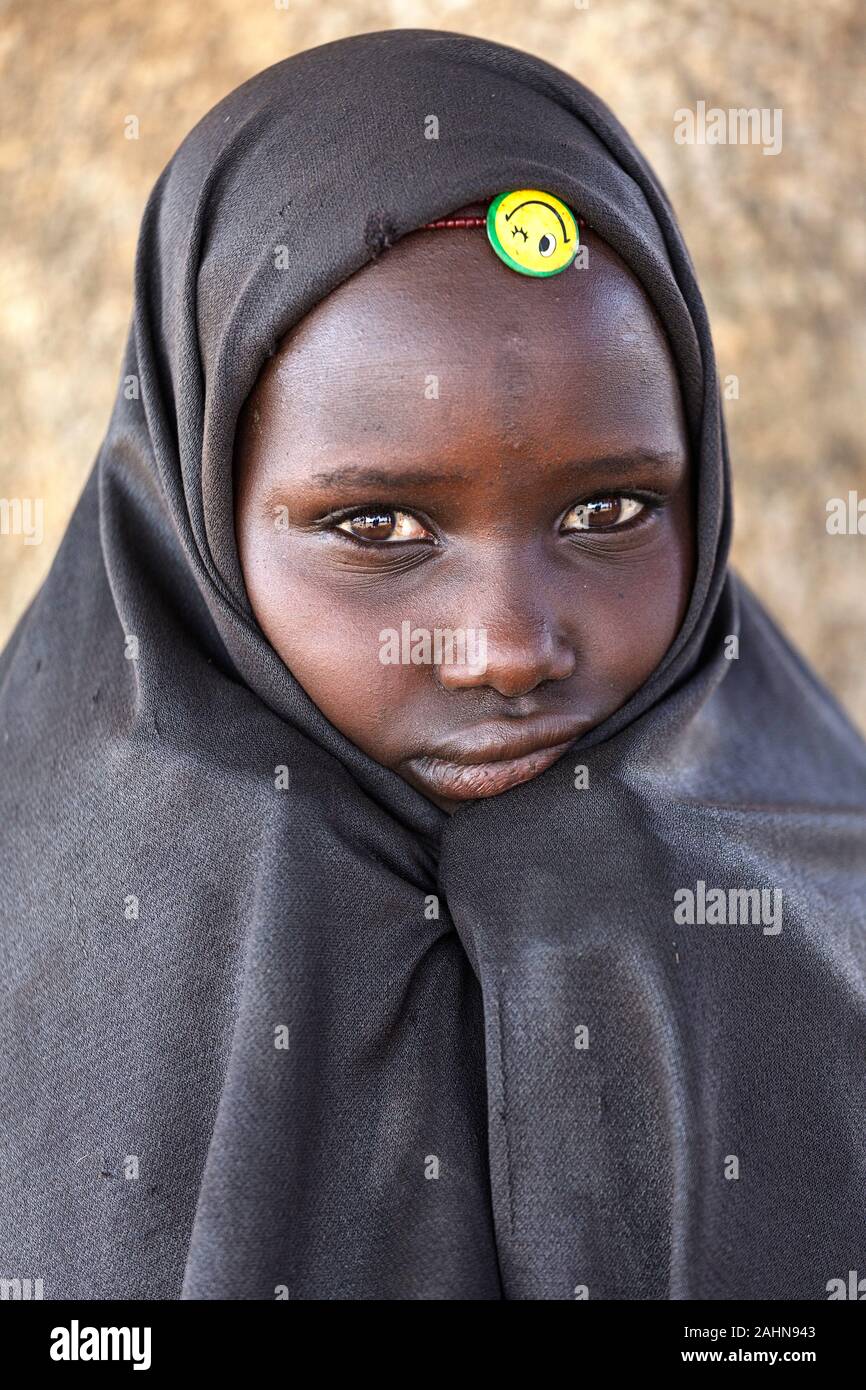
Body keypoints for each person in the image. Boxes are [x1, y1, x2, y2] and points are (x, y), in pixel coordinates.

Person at [1, 29, 864, 1301]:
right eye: (378, 527)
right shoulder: (65, 980)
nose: (509, 649)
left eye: (607, 511)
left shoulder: (816, 891)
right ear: (196, 515)